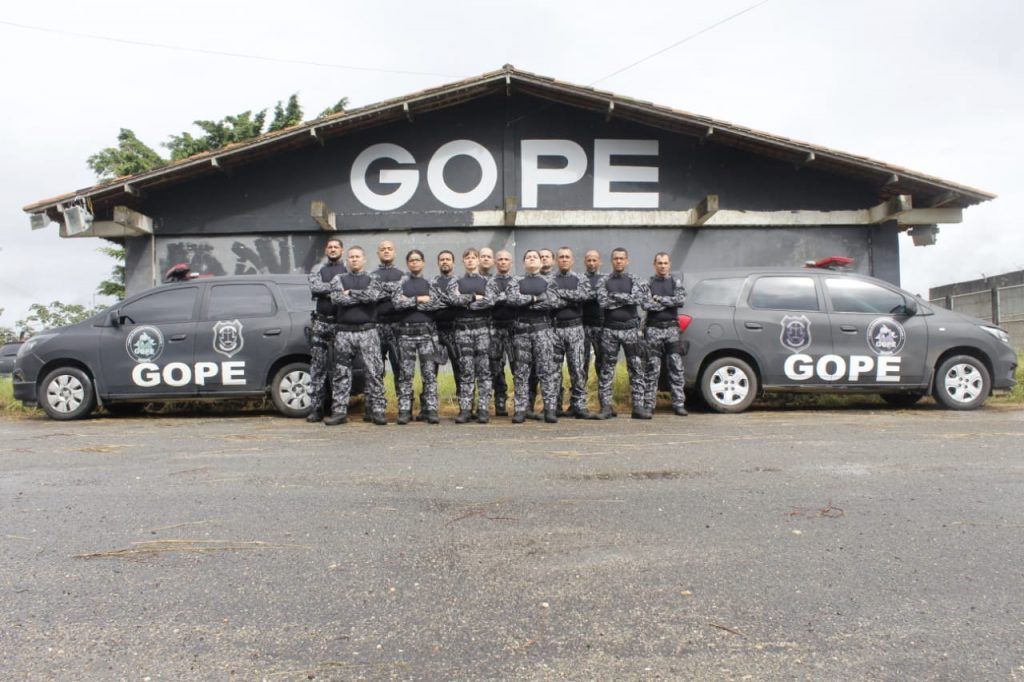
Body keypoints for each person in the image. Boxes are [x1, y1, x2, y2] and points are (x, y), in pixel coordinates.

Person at [326, 246, 387, 426]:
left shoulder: (373, 278)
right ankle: (339, 412)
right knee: (341, 373)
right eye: (351, 257)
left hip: (367, 331)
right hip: (344, 332)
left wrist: (350, 293)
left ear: (364, 259)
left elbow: (373, 296)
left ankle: (377, 411)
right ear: (347, 260)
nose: (354, 259)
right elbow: (336, 298)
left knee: (374, 372)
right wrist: (361, 297)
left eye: (357, 257)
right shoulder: (339, 278)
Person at [595, 247, 653, 420]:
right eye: (616, 258)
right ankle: (606, 406)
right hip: (610, 330)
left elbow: (638, 299)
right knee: (606, 369)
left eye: (622, 258)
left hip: (630, 330)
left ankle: (638, 407)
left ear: (627, 261)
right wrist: (626, 297)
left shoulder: (635, 279)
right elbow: (603, 302)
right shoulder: (604, 280)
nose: (619, 261)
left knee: (636, 368)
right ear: (612, 261)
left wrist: (614, 296)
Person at [505, 249, 561, 423]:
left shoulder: (549, 281)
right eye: (528, 257)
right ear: (524, 263)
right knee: (521, 372)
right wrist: (536, 299)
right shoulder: (516, 281)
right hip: (521, 332)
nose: (531, 259)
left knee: (546, 370)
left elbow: (553, 302)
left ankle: (550, 409)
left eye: (534, 257)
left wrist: (526, 302)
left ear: (540, 262)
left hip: (542, 330)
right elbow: (512, 300)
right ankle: (520, 410)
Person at [391, 250, 444, 425]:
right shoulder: (400, 284)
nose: (415, 263)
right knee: (405, 375)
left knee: (429, 375)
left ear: (423, 262)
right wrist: (420, 300)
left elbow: (436, 304)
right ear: (408, 263)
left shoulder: (431, 283)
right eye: (412, 260)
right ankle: (404, 411)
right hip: (406, 335)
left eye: (418, 260)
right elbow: (397, 304)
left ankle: (431, 410)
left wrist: (409, 302)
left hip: (426, 335)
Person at [551, 247, 599, 419]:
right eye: (561, 257)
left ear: (572, 260)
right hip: (554, 329)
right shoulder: (550, 280)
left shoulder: (581, 279)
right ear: (556, 260)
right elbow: (549, 299)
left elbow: (584, 296)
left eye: (567, 257)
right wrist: (571, 299)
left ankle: (579, 405)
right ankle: (554, 406)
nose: (564, 259)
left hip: (575, 328)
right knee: (553, 370)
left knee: (578, 369)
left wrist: (561, 295)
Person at [447, 248, 493, 423]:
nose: (471, 260)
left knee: (484, 371)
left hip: (482, 330)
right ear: (463, 261)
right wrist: (475, 297)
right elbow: (453, 300)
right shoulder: (456, 281)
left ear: (478, 260)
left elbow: (491, 301)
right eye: (467, 258)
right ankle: (465, 409)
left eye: (474, 257)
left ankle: (483, 409)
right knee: (465, 371)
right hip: (463, 330)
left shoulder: (487, 281)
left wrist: (466, 301)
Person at [305, 238, 346, 423]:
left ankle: (338, 409)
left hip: (340, 324)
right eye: (330, 247)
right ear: (326, 250)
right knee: (317, 367)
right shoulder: (317, 268)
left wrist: (326, 289)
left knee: (341, 368)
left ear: (342, 250)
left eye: (336, 247)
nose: (333, 249)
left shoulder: (347, 269)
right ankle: (316, 409)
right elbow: (315, 287)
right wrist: (338, 290)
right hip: (321, 323)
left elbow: (351, 288)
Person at [644, 252, 688, 416]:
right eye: (659, 263)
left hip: (672, 330)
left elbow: (681, 301)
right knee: (652, 368)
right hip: (653, 329)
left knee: (676, 367)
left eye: (665, 263)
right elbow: (646, 304)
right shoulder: (648, 283)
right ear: (654, 265)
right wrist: (669, 301)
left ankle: (679, 404)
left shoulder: (676, 282)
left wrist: (659, 299)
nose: (662, 266)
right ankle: (649, 405)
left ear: (669, 264)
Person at [485, 249, 516, 416]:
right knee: (495, 367)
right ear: (495, 262)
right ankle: (500, 402)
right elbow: (489, 301)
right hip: (494, 329)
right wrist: (507, 297)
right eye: (500, 259)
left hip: (514, 329)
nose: (503, 262)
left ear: (511, 263)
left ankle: (523, 404)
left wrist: (501, 297)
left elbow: (518, 300)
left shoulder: (517, 282)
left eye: (506, 259)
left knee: (518, 366)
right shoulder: (490, 282)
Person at [431, 250, 461, 419]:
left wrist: (446, 301)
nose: (445, 262)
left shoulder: (459, 283)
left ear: (453, 263)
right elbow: (431, 304)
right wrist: (452, 301)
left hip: (455, 331)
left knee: (460, 370)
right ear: (438, 263)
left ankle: (465, 407)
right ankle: (429, 409)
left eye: (448, 259)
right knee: (430, 371)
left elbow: (460, 303)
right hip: (435, 331)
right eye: (442, 259)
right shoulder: (432, 283)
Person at [373, 240, 403, 385]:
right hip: (377, 326)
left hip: (397, 326)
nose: (386, 251)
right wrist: (393, 291)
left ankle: (403, 399)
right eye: (383, 249)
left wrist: (381, 291)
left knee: (400, 366)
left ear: (394, 252)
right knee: (375, 369)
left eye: (389, 249)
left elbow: (403, 297)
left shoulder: (402, 276)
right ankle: (377, 398)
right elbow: (371, 296)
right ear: (378, 253)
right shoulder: (371, 276)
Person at [582, 249, 606, 387]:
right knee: (581, 362)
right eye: (589, 260)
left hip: (601, 325)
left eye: (594, 260)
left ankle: (604, 396)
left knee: (602, 362)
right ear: (585, 262)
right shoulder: (579, 279)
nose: (591, 263)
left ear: (600, 262)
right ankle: (579, 397)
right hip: (582, 325)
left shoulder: (606, 279)